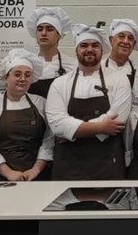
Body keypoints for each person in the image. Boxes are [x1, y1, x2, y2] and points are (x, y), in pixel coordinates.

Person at [46, 27, 130, 181]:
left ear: (102, 50)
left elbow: (118, 119)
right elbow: (57, 125)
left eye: (95, 45)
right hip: (68, 166)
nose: (89, 49)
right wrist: (101, 127)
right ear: (76, 50)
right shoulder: (60, 83)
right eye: (84, 45)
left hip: (107, 164)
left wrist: (71, 132)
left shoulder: (120, 79)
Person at [0, 49, 52, 182]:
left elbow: (49, 140)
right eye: (17, 74)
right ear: (6, 77)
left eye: (27, 75)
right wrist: (8, 172)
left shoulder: (41, 104)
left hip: (35, 176)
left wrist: (36, 169)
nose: (23, 79)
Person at [25, 6, 73, 98]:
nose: (43, 33)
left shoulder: (71, 65)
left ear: (59, 34)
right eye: (40, 29)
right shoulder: (28, 65)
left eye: (49, 29)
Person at [103, 18, 138, 88]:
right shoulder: (98, 69)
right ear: (111, 40)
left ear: (134, 44)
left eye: (130, 38)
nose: (125, 41)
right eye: (121, 36)